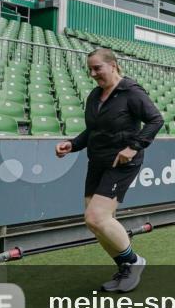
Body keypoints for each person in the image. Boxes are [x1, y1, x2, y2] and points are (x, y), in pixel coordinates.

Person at [55, 48, 164, 292]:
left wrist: (133, 147)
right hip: (97, 162)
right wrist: (72, 144)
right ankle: (124, 266)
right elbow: (93, 131)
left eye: (97, 68)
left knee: (96, 217)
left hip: (121, 163)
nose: (92, 73)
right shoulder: (95, 95)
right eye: (90, 69)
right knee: (95, 223)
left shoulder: (131, 92)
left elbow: (156, 120)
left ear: (113, 65)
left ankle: (134, 262)